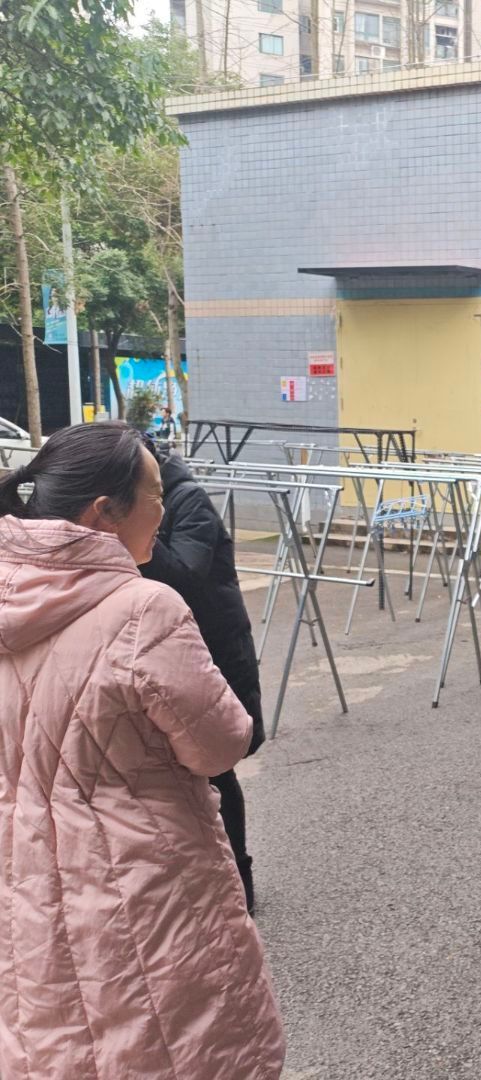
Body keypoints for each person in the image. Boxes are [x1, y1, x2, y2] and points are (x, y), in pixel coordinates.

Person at [0, 422, 286, 1079]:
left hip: (22, 868)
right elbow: (218, 744)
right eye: (155, 497)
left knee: (53, 1032)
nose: (164, 510)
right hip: (142, 875)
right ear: (105, 512)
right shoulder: (143, 608)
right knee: (168, 1038)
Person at [142, 444, 266, 912]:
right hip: (164, 647)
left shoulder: (186, 498)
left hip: (211, 648)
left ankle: (240, 879)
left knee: (216, 767)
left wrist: (137, 529)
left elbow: (184, 577)